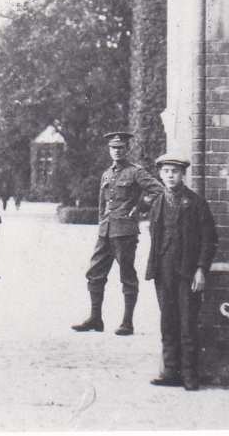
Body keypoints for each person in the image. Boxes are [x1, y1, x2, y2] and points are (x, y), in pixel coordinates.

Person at [72, 131, 159, 336]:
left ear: (127, 149)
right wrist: (102, 223)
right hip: (106, 231)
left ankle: (127, 323)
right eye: (113, 148)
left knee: (127, 276)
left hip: (125, 232)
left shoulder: (136, 172)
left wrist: (140, 207)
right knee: (94, 273)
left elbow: (158, 190)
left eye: (120, 148)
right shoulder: (107, 174)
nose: (117, 151)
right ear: (109, 150)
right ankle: (95, 318)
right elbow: (102, 204)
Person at [144, 153, 217, 391]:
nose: (170, 176)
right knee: (167, 322)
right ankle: (170, 371)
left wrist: (200, 270)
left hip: (187, 272)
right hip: (163, 270)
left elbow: (209, 239)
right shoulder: (157, 203)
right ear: (160, 174)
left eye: (175, 171)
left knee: (187, 322)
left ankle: (189, 375)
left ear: (183, 174)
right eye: (166, 171)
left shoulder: (196, 203)